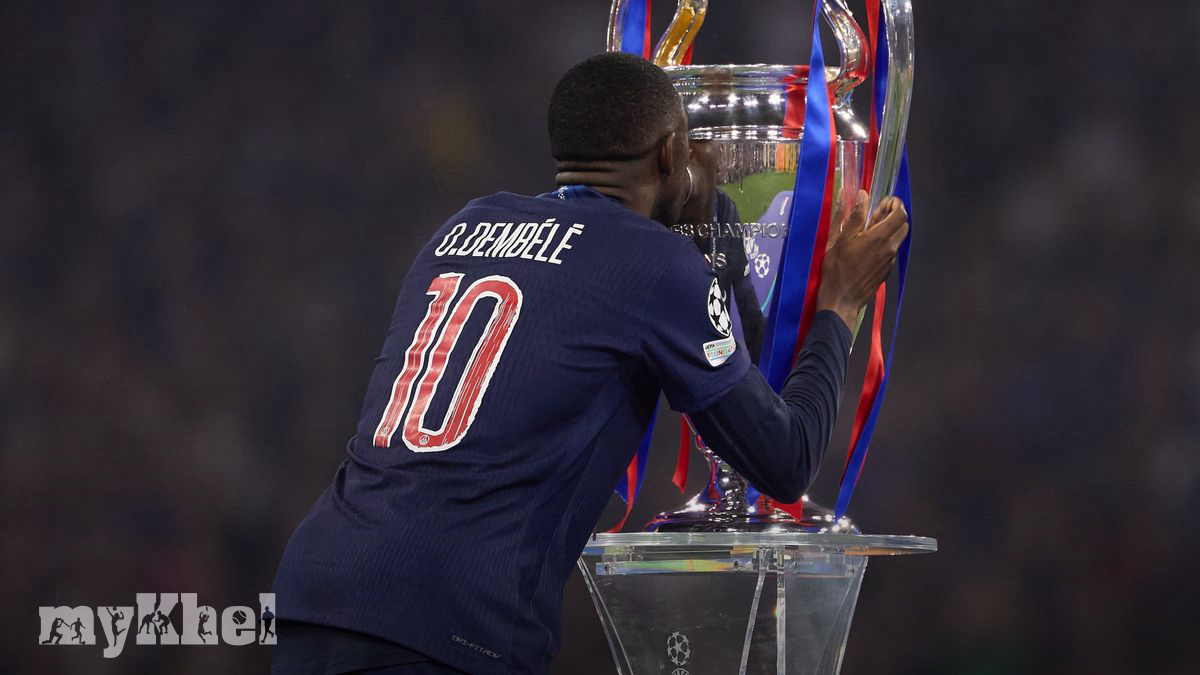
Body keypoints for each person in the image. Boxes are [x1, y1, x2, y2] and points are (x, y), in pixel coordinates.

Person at [272, 52, 907, 675]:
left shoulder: (462, 225)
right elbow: (785, 460)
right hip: (446, 618)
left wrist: (718, 246)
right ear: (669, 154)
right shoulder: (653, 265)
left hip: (318, 587)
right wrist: (840, 304)